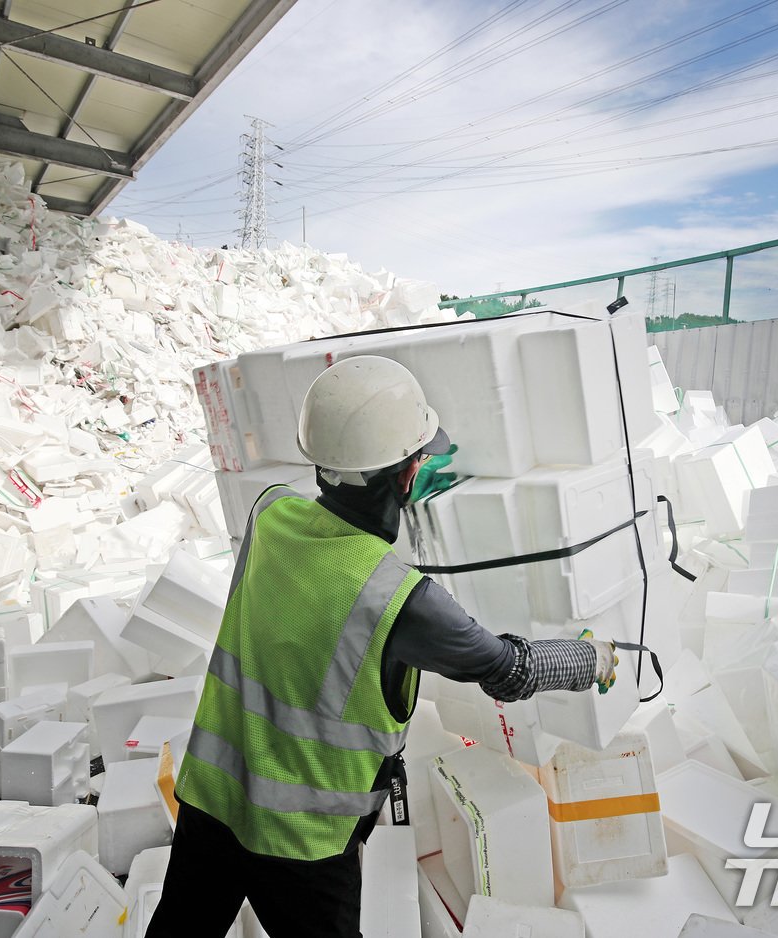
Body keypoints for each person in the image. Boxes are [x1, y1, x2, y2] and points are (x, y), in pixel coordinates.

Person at [147, 356, 619, 938]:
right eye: (420, 461)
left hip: (211, 800)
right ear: (404, 477)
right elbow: (507, 670)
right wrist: (590, 658)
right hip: (302, 842)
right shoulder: (398, 598)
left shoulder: (269, 513)